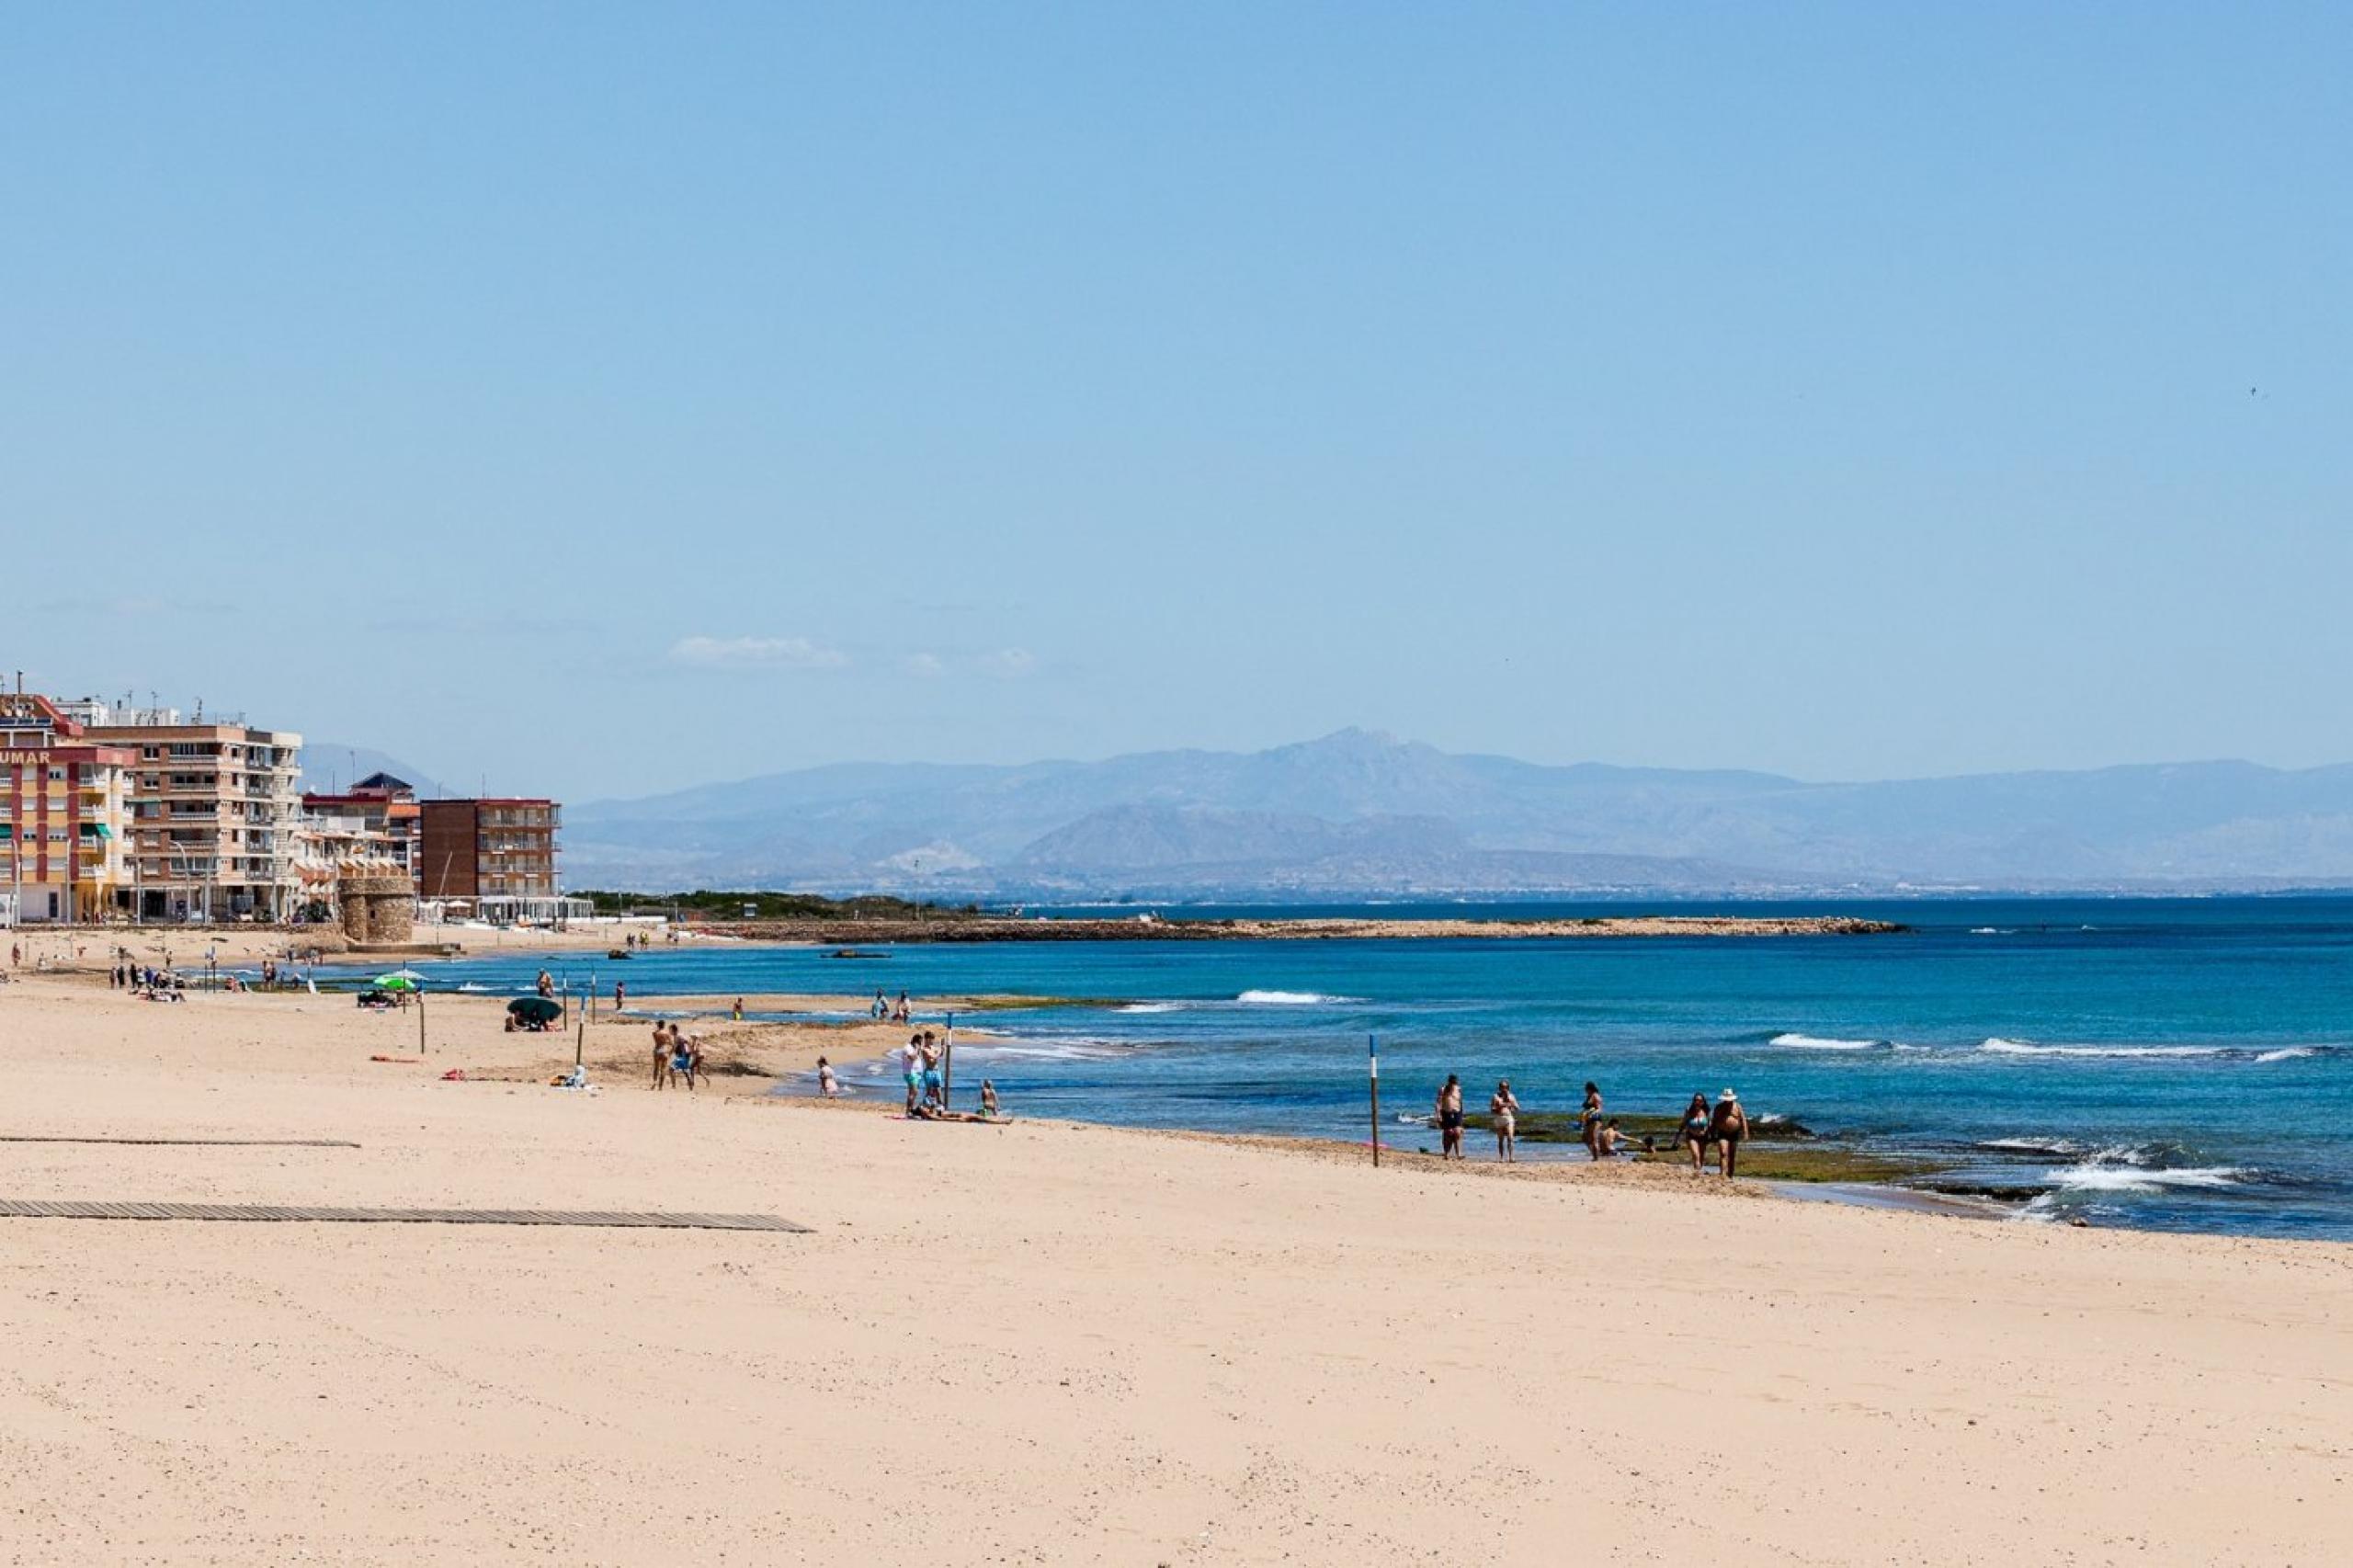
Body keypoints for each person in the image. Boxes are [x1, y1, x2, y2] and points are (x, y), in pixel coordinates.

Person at [1708, 1088, 1749, 1177]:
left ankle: (1730, 1174)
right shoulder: (1718, 1107)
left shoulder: (1737, 1106)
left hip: (1734, 1132)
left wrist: (1745, 1132)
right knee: (1723, 1152)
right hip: (1722, 1132)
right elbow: (1714, 1121)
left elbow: (1743, 1119)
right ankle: (1723, 1173)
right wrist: (1712, 1133)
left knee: (1732, 1154)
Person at [1678, 1092, 1713, 1174]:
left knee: (1701, 1157)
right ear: (1693, 1101)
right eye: (1696, 1100)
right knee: (1696, 1155)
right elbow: (1684, 1122)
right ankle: (1697, 1173)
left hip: (1703, 1137)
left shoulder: (1707, 1111)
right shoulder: (1689, 1110)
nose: (1698, 1102)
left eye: (1700, 1100)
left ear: (1703, 1102)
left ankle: (1698, 1172)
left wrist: (1710, 1134)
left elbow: (1710, 1123)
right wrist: (1678, 1136)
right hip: (1691, 1136)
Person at [1435, 1074, 1465, 1160]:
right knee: (1448, 1133)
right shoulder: (1443, 1089)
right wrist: (1438, 1114)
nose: (1453, 1085)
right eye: (1452, 1083)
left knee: (1458, 1132)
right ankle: (1446, 1153)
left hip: (1457, 1112)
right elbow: (1438, 1103)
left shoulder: (1458, 1089)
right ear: (1449, 1082)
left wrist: (1462, 1115)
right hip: (1446, 1112)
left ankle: (1459, 1154)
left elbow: (1460, 1102)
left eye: (1455, 1083)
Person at [1489, 1080, 1519, 1163]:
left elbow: (1517, 1108)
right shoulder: (1495, 1096)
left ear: (1508, 1088)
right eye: (1502, 1087)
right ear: (1499, 1088)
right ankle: (1501, 1157)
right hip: (1499, 1118)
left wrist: (1510, 1104)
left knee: (1510, 1137)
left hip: (1508, 1118)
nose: (1504, 1089)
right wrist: (1499, 1106)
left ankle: (1511, 1157)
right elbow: (1492, 1109)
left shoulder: (1511, 1096)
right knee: (1501, 1139)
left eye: (1505, 1087)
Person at [1580, 1081, 1605, 1161]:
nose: (1585, 1091)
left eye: (1586, 1089)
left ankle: (1596, 1157)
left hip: (1595, 1120)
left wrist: (1591, 1113)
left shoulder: (1596, 1096)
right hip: (1588, 1120)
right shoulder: (1589, 1096)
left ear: (1590, 1088)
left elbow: (1599, 1109)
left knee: (1594, 1138)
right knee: (1585, 1138)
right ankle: (1595, 1154)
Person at [901, 1033, 924, 1114]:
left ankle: (911, 1109)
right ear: (915, 1042)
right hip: (910, 1073)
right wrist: (917, 1050)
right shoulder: (908, 1048)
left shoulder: (913, 1048)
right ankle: (908, 1110)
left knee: (914, 1092)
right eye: (920, 1042)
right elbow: (912, 1058)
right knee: (914, 1091)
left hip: (916, 1073)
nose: (921, 1044)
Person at [651, 1020, 672, 1090]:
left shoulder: (655, 1033)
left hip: (657, 1050)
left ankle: (654, 1083)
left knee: (656, 1068)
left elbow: (655, 1038)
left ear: (658, 1025)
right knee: (663, 1068)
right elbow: (671, 1043)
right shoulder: (667, 1033)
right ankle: (660, 1086)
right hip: (664, 1051)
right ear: (664, 1025)